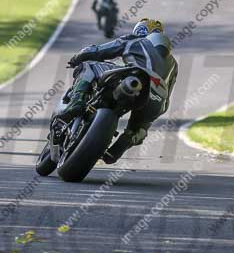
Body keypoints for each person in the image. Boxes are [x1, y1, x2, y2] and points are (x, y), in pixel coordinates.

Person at [58, 18, 177, 163]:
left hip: (133, 77)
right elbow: (166, 100)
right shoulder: (174, 65)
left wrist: (77, 58)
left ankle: (77, 100)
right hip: (157, 99)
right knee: (141, 127)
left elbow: (98, 51)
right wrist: (149, 119)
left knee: (88, 66)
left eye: (141, 31)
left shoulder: (134, 40)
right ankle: (126, 141)